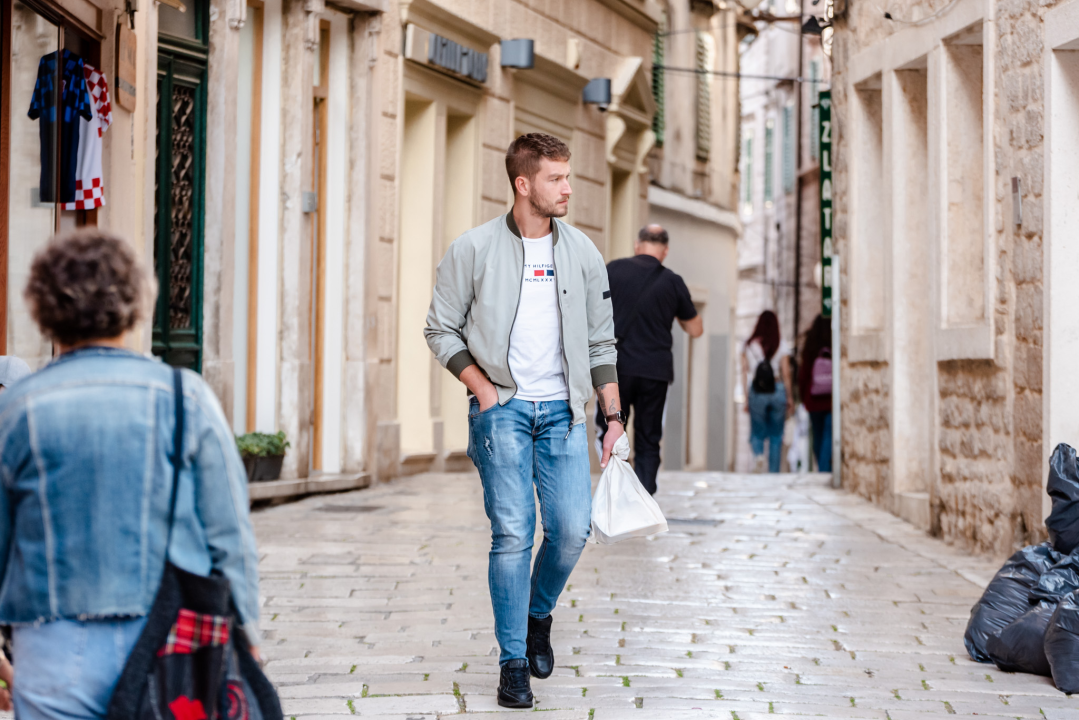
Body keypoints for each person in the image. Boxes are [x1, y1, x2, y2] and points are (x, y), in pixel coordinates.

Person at [0, 230, 260, 719]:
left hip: (52, 644)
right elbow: (230, 535)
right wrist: (246, 634)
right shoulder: (186, 398)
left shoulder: (17, 408)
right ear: (138, 300)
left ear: (41, 307)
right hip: (174, 640)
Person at [425, 133, 624, 709]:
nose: (568, 188)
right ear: (523, 184)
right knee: (512, 534)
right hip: (503, 413)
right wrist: (484, 390)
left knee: (569, 530)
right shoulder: (474, 249)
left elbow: (601, 341)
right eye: (557, 178)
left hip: (563, 414)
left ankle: (538, 614)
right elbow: (440, 328)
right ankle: (513, 660)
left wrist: (612, 416)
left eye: (567, 177)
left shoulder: (583, 252)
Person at [595, 224, 702, 494]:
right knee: (649, 437)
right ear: (665, 251)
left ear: (637, 244)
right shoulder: (672, 281)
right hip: (655, 370)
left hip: (616, 369)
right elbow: (695, 329)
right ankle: (643, 496)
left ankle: (615, 488)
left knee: (610, 426)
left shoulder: (613, 270)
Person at [741, 310, 793, 473]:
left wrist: (746, 398)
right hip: (777, 389)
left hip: (757, 391)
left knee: (757, 432)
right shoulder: (781, 343)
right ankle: (774, 472)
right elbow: (786, 373)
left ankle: (758, 457)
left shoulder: (749, 345)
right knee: (776, 435)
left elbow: (744, 371)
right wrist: (789, 396)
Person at [799, 314, 833, 472]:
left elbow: (804, 373)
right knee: (828, 435)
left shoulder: (811, 345)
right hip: (831, 399)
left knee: (818, 435)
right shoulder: (834, 344)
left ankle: (821, 465)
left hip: (813, 399)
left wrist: (802, 397)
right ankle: (824, 469)